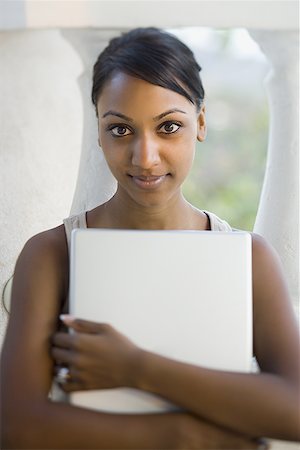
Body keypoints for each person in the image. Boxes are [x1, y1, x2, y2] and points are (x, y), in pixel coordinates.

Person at [1, 27, 299, 450]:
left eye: (169, 127)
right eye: (121, 130)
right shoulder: (52, 254)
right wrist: (185, 436)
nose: (145, 157)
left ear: (200, 123)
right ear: (99, 130)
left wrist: (137, 367)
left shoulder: (248, 257)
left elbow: (295, 411)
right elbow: (18, 428)